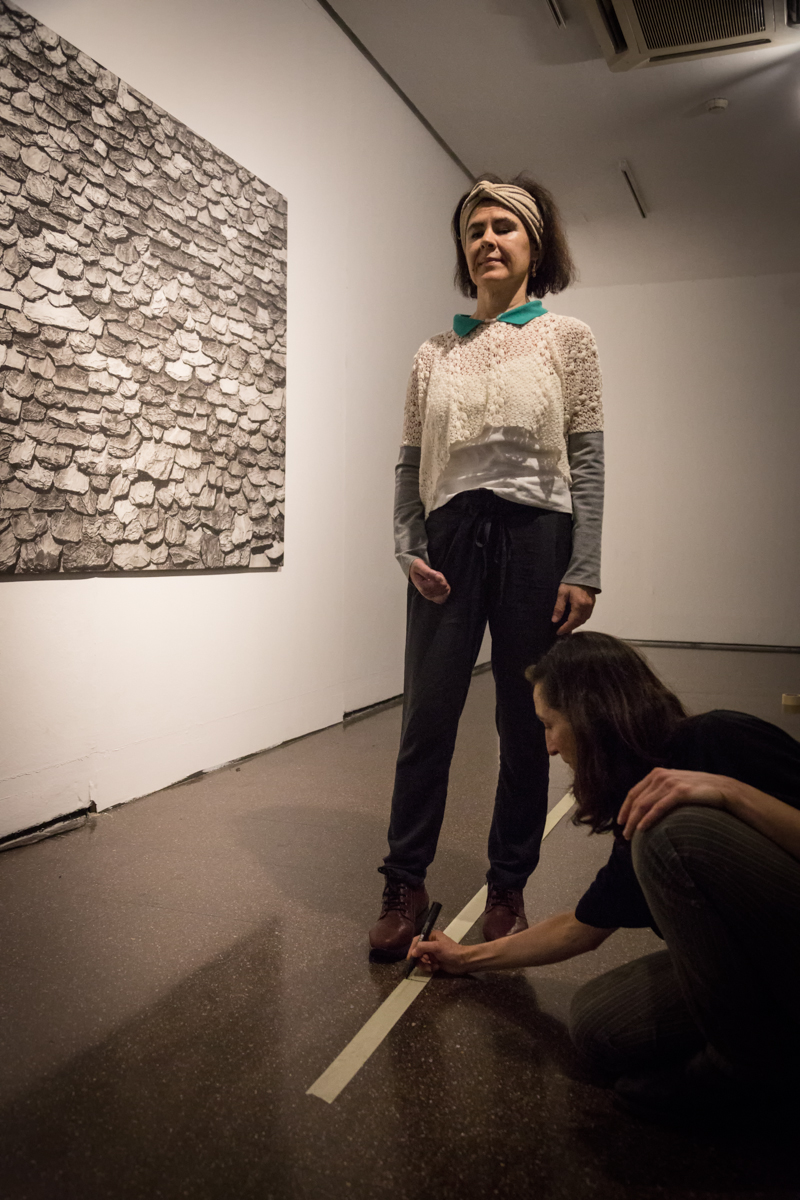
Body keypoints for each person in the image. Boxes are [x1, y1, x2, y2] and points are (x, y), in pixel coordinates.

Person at [407, 632, 800, 1121]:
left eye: (551, 725)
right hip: (765, 957)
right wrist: (465, 958)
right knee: (601, 1026)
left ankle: (743, 1068)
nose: (550, 747)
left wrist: (730, 793)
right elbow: (583, 928)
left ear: (591, 715)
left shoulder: (721, 738)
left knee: (668, 834)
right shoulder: (642, 788)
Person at [369, 175, 605, 961]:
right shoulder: (433, 354)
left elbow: (587, 459)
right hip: (449, 535)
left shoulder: (568, 338)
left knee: (524, 719)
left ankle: (508, 885)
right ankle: (404, 882)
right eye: (474, 230)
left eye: (504, 226)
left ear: (535, 244)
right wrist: (408, 543)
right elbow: (409, 465)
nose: (487, 240)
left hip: (538, 533)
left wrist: (584, 563)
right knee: (426, 716)